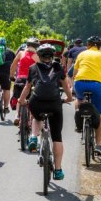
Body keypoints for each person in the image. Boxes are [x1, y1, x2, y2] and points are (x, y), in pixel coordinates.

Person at [18, 43, 73, 180]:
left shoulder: (33, 68)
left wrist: (21, 100)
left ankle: (33, 137)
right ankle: (58, 170)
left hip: (37, 102)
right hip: (54, 104)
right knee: (57, 137)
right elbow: (66, 86)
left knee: (37, 117)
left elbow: (27, 87)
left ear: (39, 55)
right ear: (53, 55)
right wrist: (69, 98)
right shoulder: (59, 67)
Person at [72, 35, 101, 157]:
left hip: (80, 83)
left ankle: (79, 120)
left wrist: (76, 88)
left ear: (88, 45)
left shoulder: (82, 54)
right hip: (97, 85)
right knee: (100, 113)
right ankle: (98, 144)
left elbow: (74, 74)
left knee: (79, 100)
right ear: (99, 46)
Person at [9, 37, 40, 125]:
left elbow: (13, 66)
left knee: (20, 98)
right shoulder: (37, 56)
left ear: (27, 45)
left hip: (20, 79)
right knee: (31, 100)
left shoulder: (21, 53)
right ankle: (30, 120)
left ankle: (17, 116)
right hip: (32, 81)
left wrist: (11, 76)